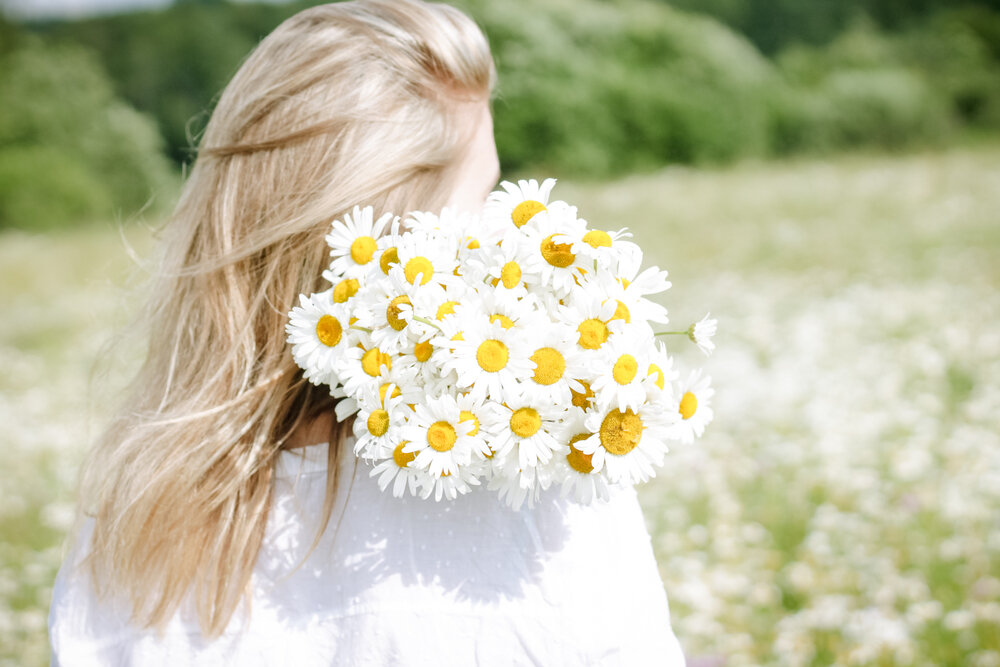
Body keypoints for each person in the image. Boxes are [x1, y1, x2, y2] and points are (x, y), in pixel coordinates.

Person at [48, 1, 686, 664]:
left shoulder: (136, 519)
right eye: (480, 205)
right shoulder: (550, 498)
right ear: (398, 262)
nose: (504, 239)